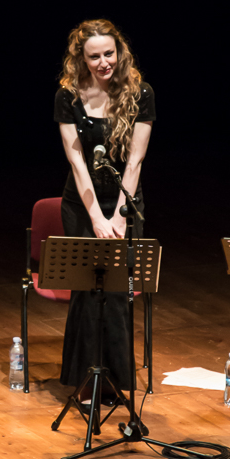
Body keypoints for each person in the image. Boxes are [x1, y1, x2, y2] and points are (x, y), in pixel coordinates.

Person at [54, 20, 155, 397]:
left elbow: (135, 162)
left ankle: (115, 380)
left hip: (126, 200)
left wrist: (118, 217)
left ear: (119, 51)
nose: (103, 62)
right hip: (82, 204)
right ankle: (84, 378)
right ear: (81, 58)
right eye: (94, 56)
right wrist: (96, 216)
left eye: (108, 53)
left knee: (117, 289)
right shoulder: (68, 96)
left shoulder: (141, 92)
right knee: (87, 289)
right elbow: (77, 163)